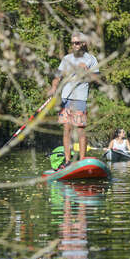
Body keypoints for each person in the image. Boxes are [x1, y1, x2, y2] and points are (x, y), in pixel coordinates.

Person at [46, 32, 99, 169]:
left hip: (80, 98)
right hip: (65, 97)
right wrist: (53, 88)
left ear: (83, 43)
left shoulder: (91, 59)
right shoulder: (66, 59)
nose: (74, 45)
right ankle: (68, 161)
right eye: (73, 43)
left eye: (77, 42)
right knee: (66, 129)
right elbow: (57, 77)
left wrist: (87, 71)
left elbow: (97, 79)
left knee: (81, 130)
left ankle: (82, 160)